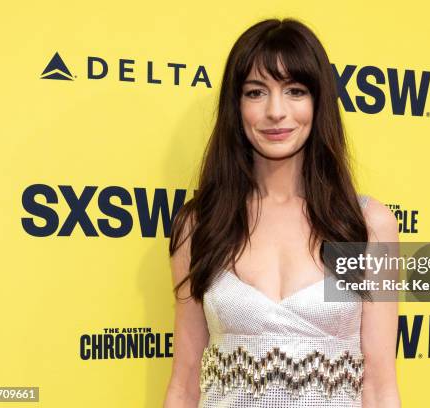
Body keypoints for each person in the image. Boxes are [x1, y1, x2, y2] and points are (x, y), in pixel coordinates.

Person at [164, 18, 400, 408]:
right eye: (256, 92)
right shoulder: (201, 224)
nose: (276, 111)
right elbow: (185, 382)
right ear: (236, 106)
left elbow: (379, 386)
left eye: (295, 91)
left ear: (318, 102)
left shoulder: (364, 225)